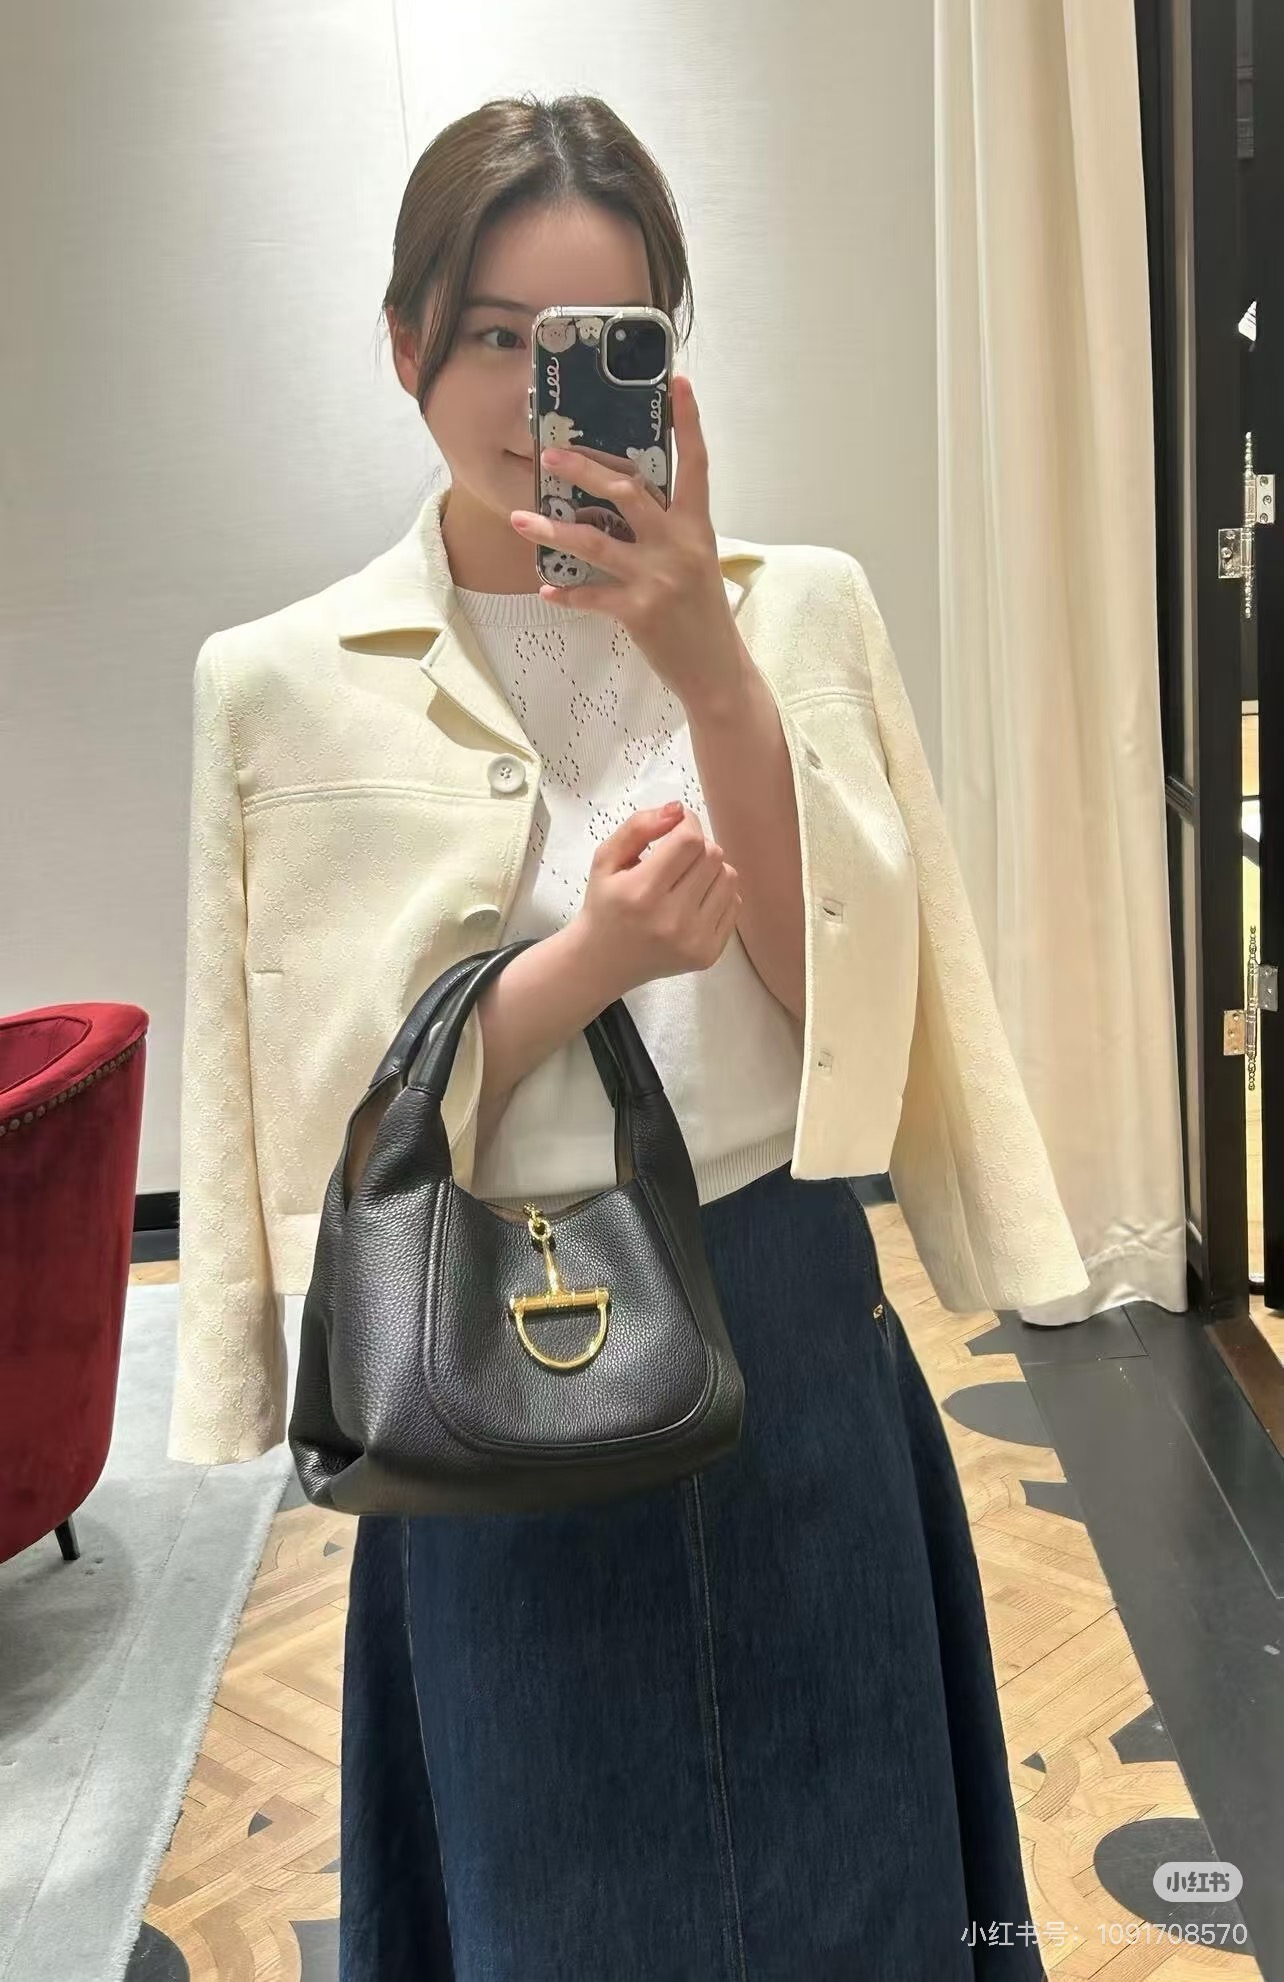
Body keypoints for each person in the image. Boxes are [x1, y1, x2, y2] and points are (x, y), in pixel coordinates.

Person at [171, 89, 1080, 1981]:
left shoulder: (798, 614)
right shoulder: (277, 689)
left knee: (867, 1892)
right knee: (556, 1909)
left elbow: (859, 1022)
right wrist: (586, 959)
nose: (537, 397)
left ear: (665, 357)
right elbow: (347, 1138)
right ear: (403, 343)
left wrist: (710, 672)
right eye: (492, 336)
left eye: (595, 341)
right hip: (489, 1368)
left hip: (792, 1328)